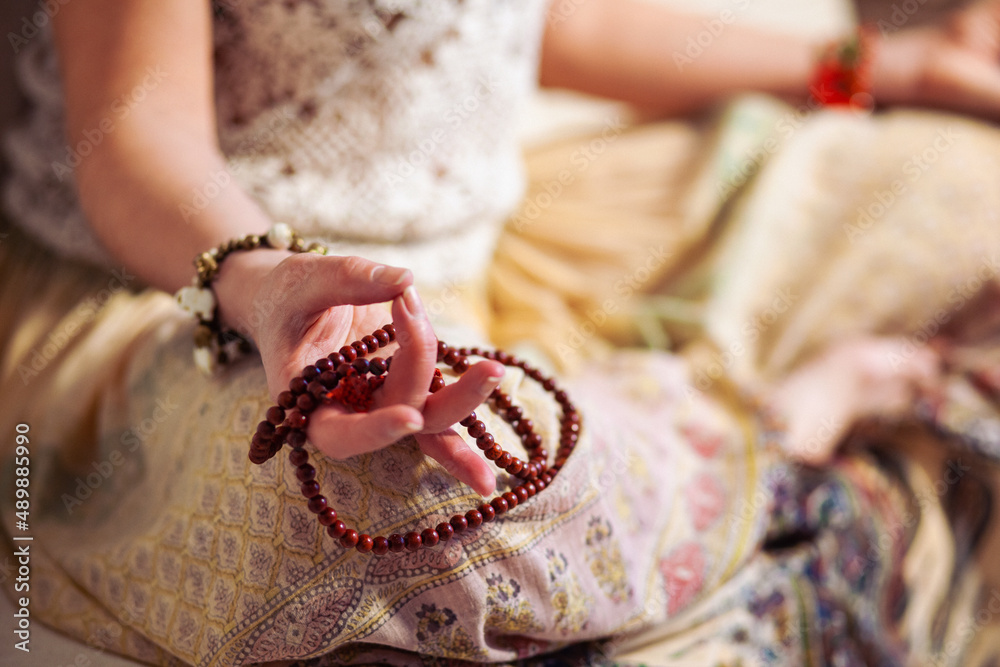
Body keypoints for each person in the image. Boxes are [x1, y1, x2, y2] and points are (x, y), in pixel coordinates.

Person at [1, 0, 1000, 664]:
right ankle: (777, 437)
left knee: (967, 196)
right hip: (190, 280)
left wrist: (870, 66)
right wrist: (264, 281)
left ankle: (728, 472)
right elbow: (132, 131)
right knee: (413, 493)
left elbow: (542, 19)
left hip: (497, 247)